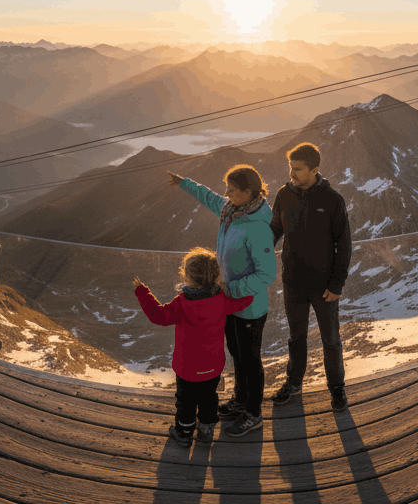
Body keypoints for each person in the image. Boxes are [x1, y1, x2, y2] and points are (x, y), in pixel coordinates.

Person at [167, 165, 276, 438]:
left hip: (249, 308)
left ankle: (254, 413)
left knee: (250, 361)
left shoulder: (258, 227)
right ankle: (240, 400)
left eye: (231, 189)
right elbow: (209, 197)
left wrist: (230, 289)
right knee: (238, 356)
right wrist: (184, 183)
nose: (225, 194)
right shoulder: (232, 213)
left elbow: (267, 274)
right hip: (229, 305)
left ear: (247, 192)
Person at [134, 248, 253, 448]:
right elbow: (241, 303)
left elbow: (157, 315)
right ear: (216, 275)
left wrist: (142, 291)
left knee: (185, 402)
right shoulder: (222, 301)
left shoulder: (181, 304)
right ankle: (206, 431)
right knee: (209, 398)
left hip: (186, 367)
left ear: (187, 276)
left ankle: (184, 433)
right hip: (213, 365)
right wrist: (252, 291)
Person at [269, 142, 353, 412]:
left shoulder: (332, 200)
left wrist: (337, 284)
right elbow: (274, 229)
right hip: (293, 282)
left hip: (324, 286)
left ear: (314, 170)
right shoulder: (284, 194)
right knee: (296, 338)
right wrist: (256, 250)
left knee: (331, 339)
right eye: (290, 167)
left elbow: (344, 244)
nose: (291, 173)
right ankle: (293, 384)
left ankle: (337, 388)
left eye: (297, 169)